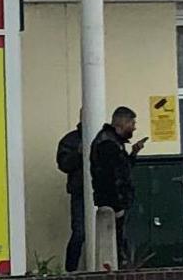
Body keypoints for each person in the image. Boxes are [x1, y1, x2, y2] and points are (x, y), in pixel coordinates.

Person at [60, 106, 141, 270]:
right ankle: (71, 270)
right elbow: (64, 164)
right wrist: (78, 154)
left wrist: (133, 154)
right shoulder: (74, 140)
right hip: (82, 192)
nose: (134, 127)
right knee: (80, 233)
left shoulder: (111, 140)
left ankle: (111, 266)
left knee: (115, 236)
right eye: (131, 123)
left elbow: (121, 169)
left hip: (105, 196)